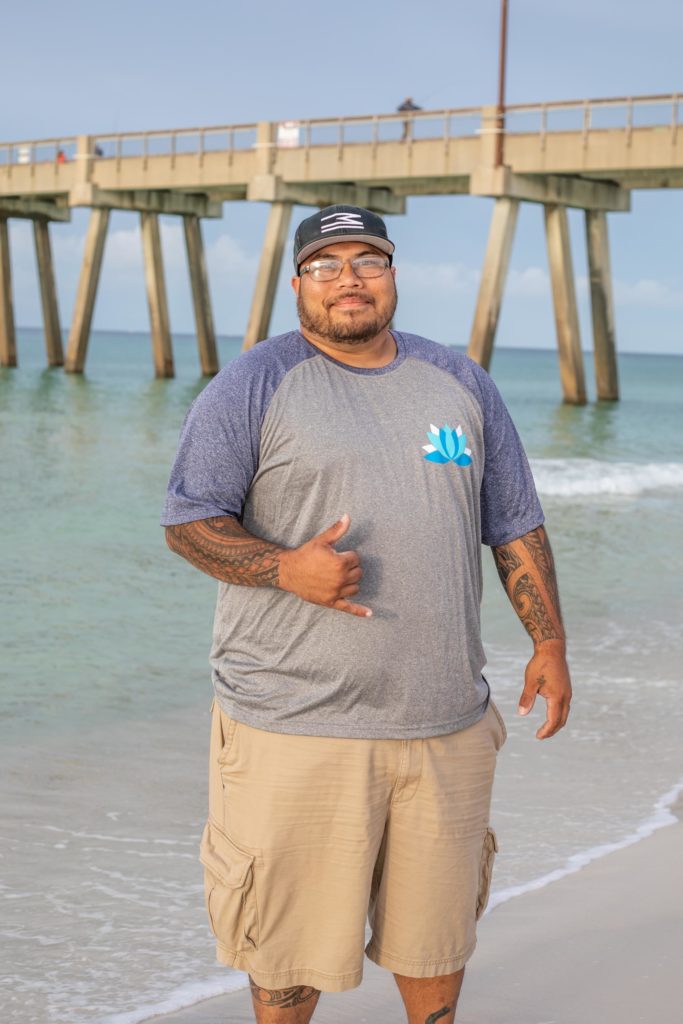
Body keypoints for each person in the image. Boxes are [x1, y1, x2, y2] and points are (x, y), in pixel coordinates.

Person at [162, 204, 572, 1024]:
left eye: (367, 261)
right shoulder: (253, 382)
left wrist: (548, 642)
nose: (348, 280)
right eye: (327, 265)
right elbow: (188, 523)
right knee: (287, 951)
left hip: (443, 722)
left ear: (391, 275)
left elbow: (514, 521)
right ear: (298, 286)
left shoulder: (459, 382)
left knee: (437, 943)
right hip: (295, 725)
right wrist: (286, 568)